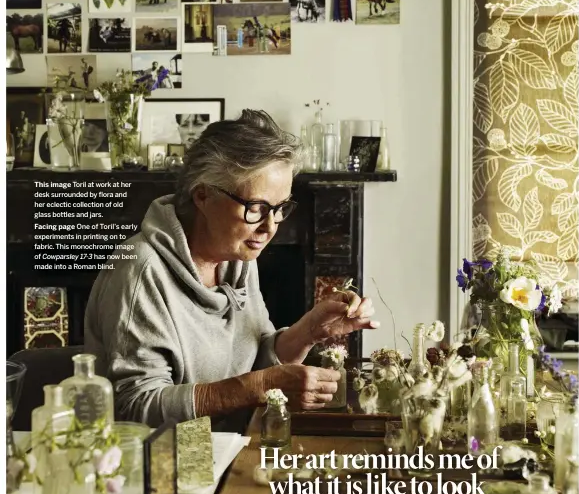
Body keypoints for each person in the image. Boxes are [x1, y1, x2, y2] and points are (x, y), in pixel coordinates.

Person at [84, 110, 378, 429]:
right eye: (256, 208)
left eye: (280, 209)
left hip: (229, 446)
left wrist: (310, 331)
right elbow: (135, 408)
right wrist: (259, 388)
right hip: (158, 463)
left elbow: (255, 358)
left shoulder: (237, 256)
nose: (270, 227)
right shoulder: (140, 269)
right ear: (203, 196)